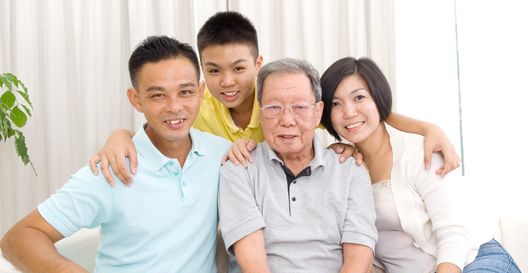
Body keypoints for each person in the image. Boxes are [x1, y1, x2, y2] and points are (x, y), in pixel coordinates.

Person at [0, 36, 233, 273]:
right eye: (157, 95)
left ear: (202, 92)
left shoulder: (224, 157)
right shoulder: (110, 167)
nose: (175, 106)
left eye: (186, 92)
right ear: (136, 100)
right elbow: (18, 237)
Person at [88, 11, 460, 186]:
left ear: (258, 63)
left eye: (239, 68)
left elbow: (352, 108)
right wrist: (118, 136)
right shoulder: (196, 105)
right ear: (202, 74)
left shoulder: (283, 95)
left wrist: (426, 126)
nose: (227, 82)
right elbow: (157, 124)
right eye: (213, 71)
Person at [319, 56, 525, 273]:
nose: (348, 112)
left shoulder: (420, 150)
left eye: (359, 97)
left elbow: (453, 235)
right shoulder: (341, 165)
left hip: (473, 264)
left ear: (379, 99)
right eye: (336, 104)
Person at [219, 57, 379, 273]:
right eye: (274, 107)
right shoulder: (238, 169)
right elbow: (252, 262)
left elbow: (360, 257)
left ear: (318, 111)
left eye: (300, 107)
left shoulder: (350, 169)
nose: (287, 120)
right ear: (260, 111)